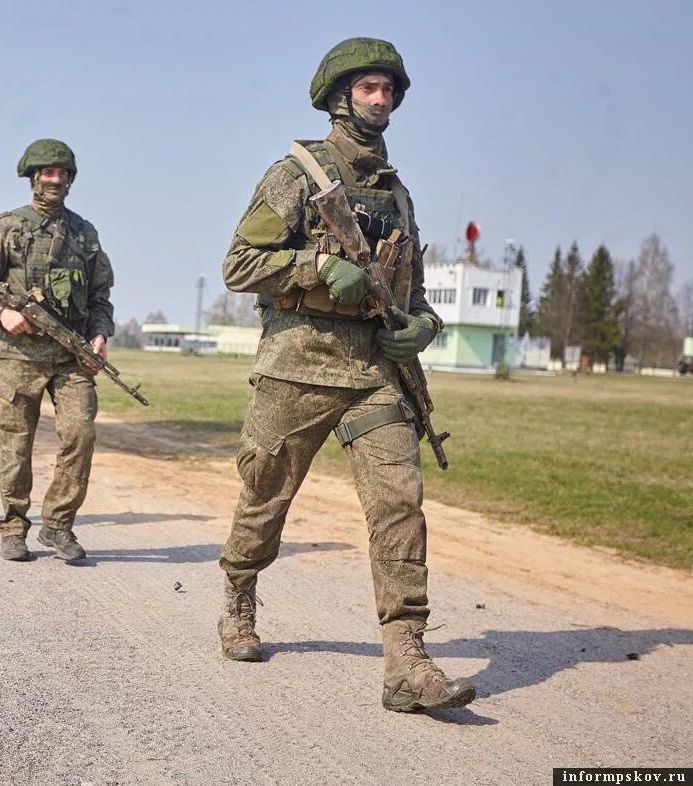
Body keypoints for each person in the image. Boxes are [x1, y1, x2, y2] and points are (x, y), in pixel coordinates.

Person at [215, 38, 476, 712]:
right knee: (265, 497)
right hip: (296, 365)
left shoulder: (397, 195)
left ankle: (406, 661)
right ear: (339, 95)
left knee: (399, 507)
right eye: (368, 87)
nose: (381, 98)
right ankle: (239, 594)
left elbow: (408, 296)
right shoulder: (296, 174)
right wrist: (317, 268)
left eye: (389, 88)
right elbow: (239, 264)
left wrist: (425, 327)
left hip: (372, 373)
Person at [0, 139, 115, 563]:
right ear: (33, 177)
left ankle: (58, 524)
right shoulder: (7, 226)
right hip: (16, 355)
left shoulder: (84, 233)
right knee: (17, 444)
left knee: (80, 434)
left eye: (63, 174)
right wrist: (0, 313)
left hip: (70, 354)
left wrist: (100, 335)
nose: (56, 180)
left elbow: (101, 297)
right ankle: (13, 526)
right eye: (48, 173)